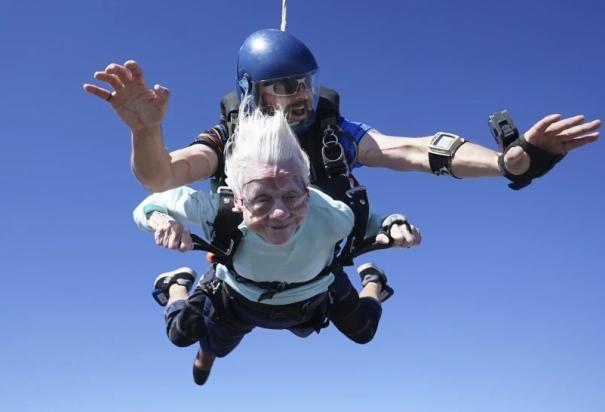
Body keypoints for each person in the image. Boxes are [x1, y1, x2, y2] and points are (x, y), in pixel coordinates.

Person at [84, 28, 600, 197]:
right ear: (250, 94)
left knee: (352, 325)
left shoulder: (335, 133)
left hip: (315, 267)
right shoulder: (229, 134)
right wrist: (146, 134)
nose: (299, 97)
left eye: (304, 84)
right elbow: (163, 177)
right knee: (219, 328)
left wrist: (508, 163)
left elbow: (416, 151)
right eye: (282, 88)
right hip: (245, 265)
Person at [133, 106, 422, 385]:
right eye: (262, 199)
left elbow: (370, 219)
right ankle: (177, 285)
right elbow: (148, 205)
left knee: (363, 331)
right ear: (238, 200)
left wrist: (394, 224)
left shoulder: (333, 213)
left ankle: (374, 283)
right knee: (182, 334)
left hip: (312, 294)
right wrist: (162, 221)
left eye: (293, 196)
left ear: (307, 191)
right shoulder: (216, 209)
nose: (280, 213)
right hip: (238, 297)